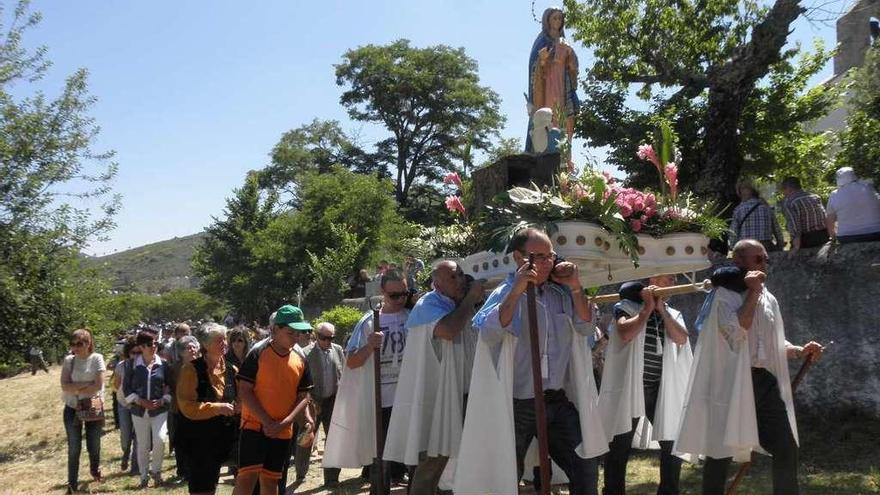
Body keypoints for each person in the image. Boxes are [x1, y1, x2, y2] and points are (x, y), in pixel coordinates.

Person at [459, 228, 607, 495]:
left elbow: (585, 328)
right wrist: (516, 291)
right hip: (518, 403)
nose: (547, 263)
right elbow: (490, 333)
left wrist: (575, 288)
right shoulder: (504, 292)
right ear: (518, 257)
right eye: (538, 256)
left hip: (556, 400)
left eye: (550, 256)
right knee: (505, 473)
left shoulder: (560, 294)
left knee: (584, 463)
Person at [675, 240, 824, 495]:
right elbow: (736, 332)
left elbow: (773, 343)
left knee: (786, 447)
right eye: (758, 260)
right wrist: (753, 293)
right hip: (730, 382)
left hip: (763, 381)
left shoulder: (769, 298)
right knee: (720, 451)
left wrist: (799, 351)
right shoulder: (724, 295)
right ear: (738, 262)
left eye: (766, 259)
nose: (764, 264)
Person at [383, 260, 483, 494]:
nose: (459, 281)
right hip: (439, 398)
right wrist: (469, 300)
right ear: (437, 284)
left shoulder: (460, 305)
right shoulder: (428, 304)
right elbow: (448, 331)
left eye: (460, 275)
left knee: (463, 454)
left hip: (466, 392)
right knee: (434, 457)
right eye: (452, 277)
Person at [599, 276, 693, 495]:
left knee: (672, 442)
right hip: (630, 388)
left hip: (659, 387)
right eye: (661, 279)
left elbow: (681, 339)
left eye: (669, 281)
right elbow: (625, 333)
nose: (666, 284)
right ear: (649, 281)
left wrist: (661, 310)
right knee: (619, 446)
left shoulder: (672, 312)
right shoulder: (626, 307)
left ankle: (668, 491)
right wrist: (647, 308)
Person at [323, 270, 411, 486]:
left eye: (404, 294)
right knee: (380, 463)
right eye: (394, 295)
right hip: (381, 402)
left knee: (403, 457)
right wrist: (370, 346)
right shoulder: (369, 322)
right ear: (383, 292)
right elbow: (351, 361)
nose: (400, 299)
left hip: (407, 399)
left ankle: (397, 475)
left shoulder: (411, 318)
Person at [232, 305, 314, 495]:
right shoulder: (257, 353)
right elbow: (245, 391)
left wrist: (285, 422)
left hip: (282, 431)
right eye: (290, 332)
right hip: (254, 426)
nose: (295, 338)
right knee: (246, 479)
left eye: (298, 333)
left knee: (271, 481)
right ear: (275, 329)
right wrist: (268, 422)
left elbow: (304, 396)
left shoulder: (300, 358)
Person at [177, 324, 239, 495]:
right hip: (200, 439)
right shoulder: (191, 369)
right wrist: (216, 408)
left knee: (247, 478)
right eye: (219, 340)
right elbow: (187, 406)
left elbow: (240, 398)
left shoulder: (231, 369)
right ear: (205, 345)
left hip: (228, 437)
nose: (225, 343)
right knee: (203, 487)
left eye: (225, 339)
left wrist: (240, 405)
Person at [296, 322, 345, 488]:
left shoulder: (338, 350)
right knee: (306, 437)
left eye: (331, 337)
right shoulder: (305, 353)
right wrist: (309, 401)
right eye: (324, 338)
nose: (328, 341)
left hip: (332, 400)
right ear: (316, 336)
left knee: (333, 439)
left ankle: (332, 478)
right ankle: (300, 473)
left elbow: (343, 373)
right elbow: (300, 381)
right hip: (312, 400)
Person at [527, 7, 580, 156]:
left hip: (563, 83)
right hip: (548, 83)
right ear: (548, 20)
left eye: (559, 18)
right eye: (554, 18)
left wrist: (570, 53)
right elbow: (535, 65)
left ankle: (564, 153)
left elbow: (574, 65)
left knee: (567, 117)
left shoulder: (565, 41)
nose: (557, 21)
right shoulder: (542, 40)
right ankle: (547, 149)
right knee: (548, 116)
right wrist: (543, 59)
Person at [124, 329, 172, 489]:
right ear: (141, 347)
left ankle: (156, 471)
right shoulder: (132, 364)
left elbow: (170, 386)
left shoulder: (163, 364)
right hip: (139, 411)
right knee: (143, 444)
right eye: (149, 344)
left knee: (160, 439)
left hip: (159, 410)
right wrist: (140, 401)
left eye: (155, 343)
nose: (154, 346)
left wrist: (163, 399)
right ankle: (144, 476)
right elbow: (126, 389)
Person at [60, 329, 106, 494]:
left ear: (88, 343)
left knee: (93, 445)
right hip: (72, 408)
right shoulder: (69, 360)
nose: (75, 347)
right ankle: (72, 486)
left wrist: (76, 388)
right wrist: (86, 385)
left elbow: (98, 386)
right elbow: (64, 385)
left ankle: (95, 468)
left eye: (79, 343)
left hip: (92, 406)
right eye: (73, 344)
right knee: (74, 448)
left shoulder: (97, 358)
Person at [169, 335, 201, 482]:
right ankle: (182, 472)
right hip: (179, 410)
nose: (192, 350)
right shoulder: (174, 368)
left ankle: (197, 470)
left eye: (194, 346)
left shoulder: (204, 364)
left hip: (199, 409)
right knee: (181, 442)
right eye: (188, 348)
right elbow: (170, 387)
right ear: (181, 352)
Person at [826, 167, 880, 243]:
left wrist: (833, 237)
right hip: (876, 233)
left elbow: (830, 219)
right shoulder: (868, 187)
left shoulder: (834, 194)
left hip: (847, 236)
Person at [112, 336, 140, 475]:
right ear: (128, 352)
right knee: (125, 435)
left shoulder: (144, 366)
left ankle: (135, 467)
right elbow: (116, 385)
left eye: (138, 352)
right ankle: (126, 453)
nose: (136, 355)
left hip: (139, 405)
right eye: (133, 353)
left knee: (138, 437)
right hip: (123, 404)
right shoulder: (121, 366)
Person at [730, 179, 784, 251]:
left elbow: (733, 232)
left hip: (746, 248)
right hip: (765, 247)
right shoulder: (766, 208)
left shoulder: (738, 210)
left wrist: (733, 247)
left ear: (739, 193)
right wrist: (780, 246)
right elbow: (777, 230)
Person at [778, 177, 828, 254]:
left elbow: (795, 226)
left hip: (807, 239)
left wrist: (796, 247)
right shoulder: (815, 197)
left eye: (783, 189)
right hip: (824, 235)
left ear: (788, 188)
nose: (783, 193)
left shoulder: (789, 202)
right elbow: (824, 217)